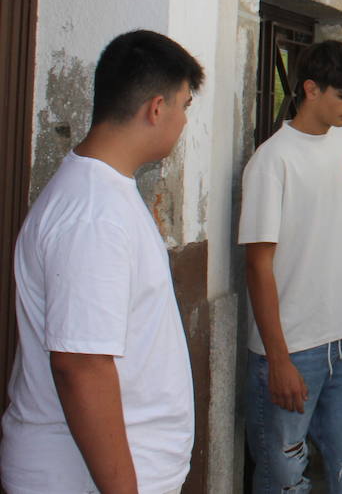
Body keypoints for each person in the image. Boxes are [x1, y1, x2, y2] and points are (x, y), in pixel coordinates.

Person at [0, 30, 202, 494]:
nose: (184, 120)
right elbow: (81, 365)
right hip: (81, 479)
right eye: (184, 105)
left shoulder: (105, 193)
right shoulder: (94, 215)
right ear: (156, 108)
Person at [239, 40, 342, 492]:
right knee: (283, 479)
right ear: (310, 89)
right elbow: (258, 265)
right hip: (293, 348)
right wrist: (278, 358)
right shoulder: (271, 160)